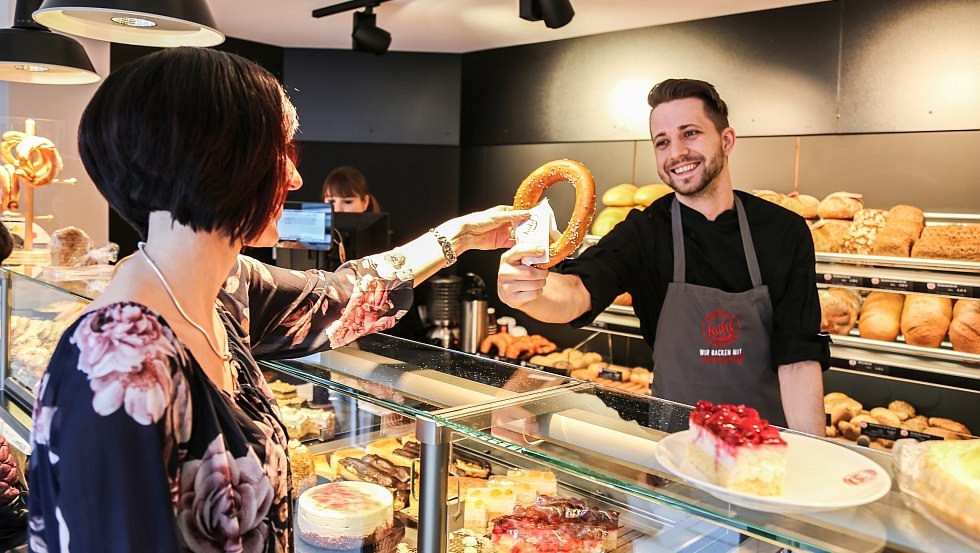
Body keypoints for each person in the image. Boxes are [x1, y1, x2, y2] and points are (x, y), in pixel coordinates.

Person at [27, 47, 527, 552]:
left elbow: (342, 298)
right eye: (282, 153)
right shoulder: (118, 361)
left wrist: (457, 237)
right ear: (220, 161)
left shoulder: (226, 286)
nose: (295, 178)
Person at [497, 78, 828, 434]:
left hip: (764, 450)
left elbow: (799, 359)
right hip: (673, 447)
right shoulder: (645, 231)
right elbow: (577, 292)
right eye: (663, 142)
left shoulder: (783, 231)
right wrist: (529, 293)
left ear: (727, 140)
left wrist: (811, 458)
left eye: (690, 133)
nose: (677, 153)